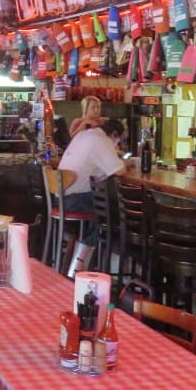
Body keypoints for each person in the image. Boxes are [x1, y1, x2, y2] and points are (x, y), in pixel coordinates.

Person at [57, 118, 127, 276]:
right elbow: (119, 170)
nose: (116, 144)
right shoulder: (101, 140)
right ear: (114, 134)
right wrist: (124, 161)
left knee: (104, 207)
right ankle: (81, 265)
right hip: (74, 200)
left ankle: (81, 262)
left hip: (61, 198)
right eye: (117, 140)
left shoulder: (84, 135)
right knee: (113, 211)